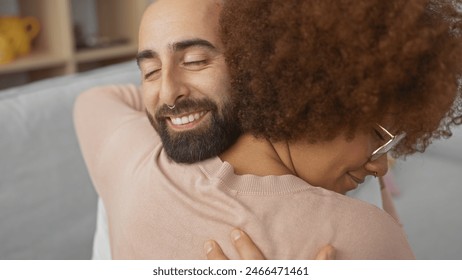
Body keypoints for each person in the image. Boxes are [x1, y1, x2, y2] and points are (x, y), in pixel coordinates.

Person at [74, 0, 460, 259]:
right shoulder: (360, 235)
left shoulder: (133, 167)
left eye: (195, 61)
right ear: (318, 95)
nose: (381, 167)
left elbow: (93, 101)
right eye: (380, 136)